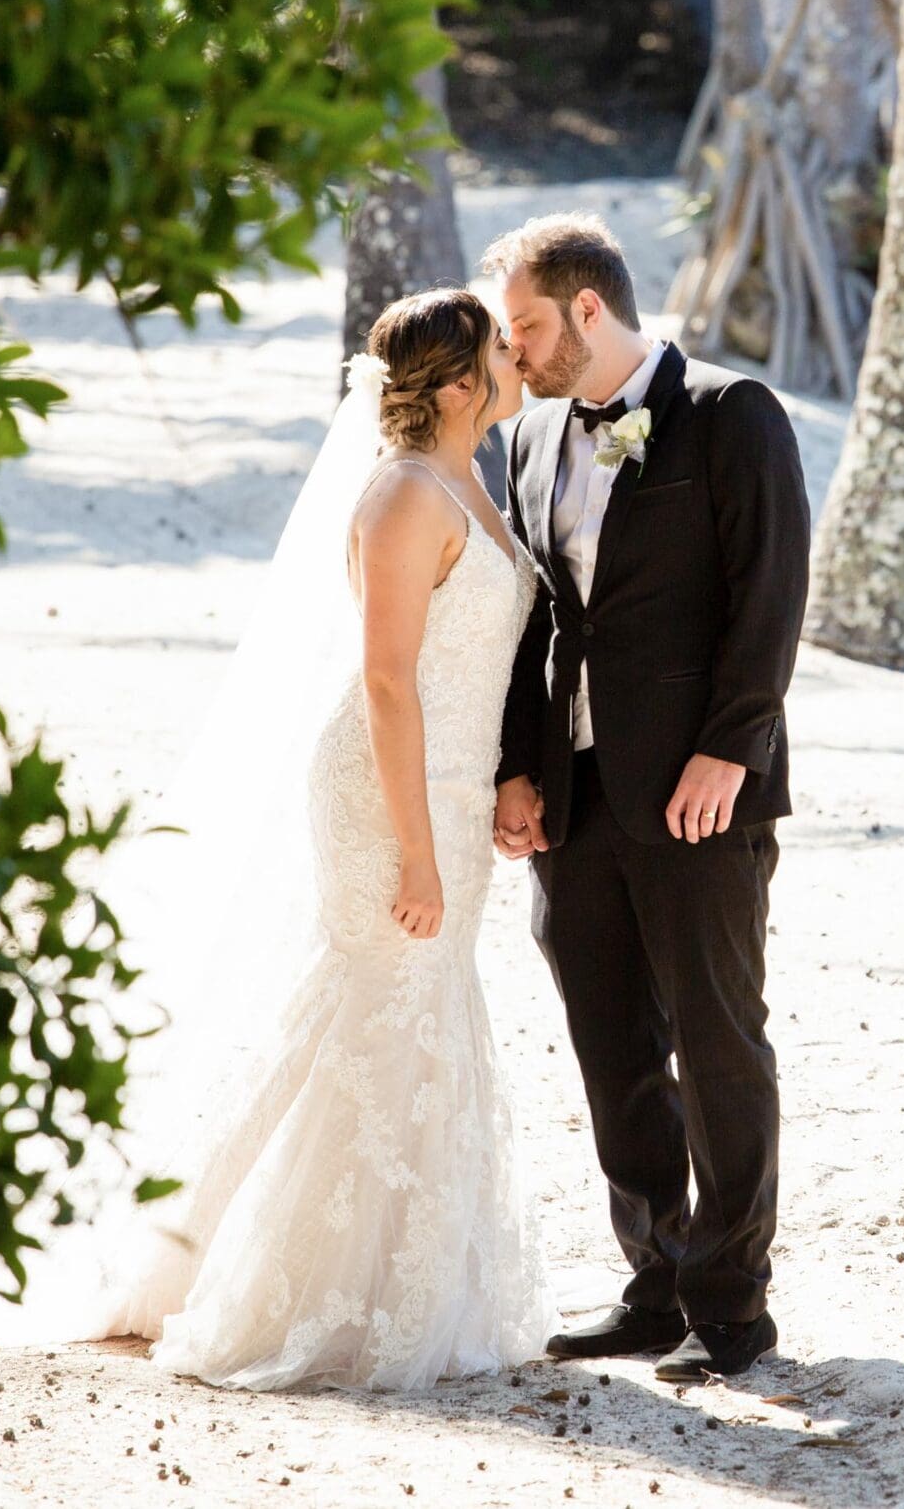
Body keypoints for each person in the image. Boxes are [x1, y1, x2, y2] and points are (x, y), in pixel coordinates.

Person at [78, 286, 551, 1391]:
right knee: (377, 1004)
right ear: (451, 384)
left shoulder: (471, 476)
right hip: (386, 793)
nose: (515, 361)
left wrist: (493, 787)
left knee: (413, 1012)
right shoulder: (400, 497)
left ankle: (396, 1282)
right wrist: (421, 850)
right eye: (497, 350)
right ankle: (290, 1293)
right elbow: (387, 683)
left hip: (453, 788)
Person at [483, 213, 812, 1382]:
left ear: (587, 309)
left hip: (699, 793)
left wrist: (730, 749)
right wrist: (515, 770)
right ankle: (655, 1283)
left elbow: (770, 595)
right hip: (575, 800)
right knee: (611, 1046)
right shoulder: (524, 440)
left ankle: (733, 1307)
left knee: (720, 1043)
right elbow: (531, 625)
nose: (509, 352)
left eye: (523, 326)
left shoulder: (733, 414)